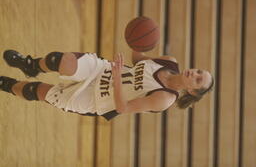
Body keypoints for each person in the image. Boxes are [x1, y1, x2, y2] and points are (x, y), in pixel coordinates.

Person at [0, 50, 214, 120]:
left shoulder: (164, 98)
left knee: (35, 91)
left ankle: (7, 84)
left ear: (192, 90)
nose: (194, 73)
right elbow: (139, 59)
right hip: (103, 71)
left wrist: (119, 77)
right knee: (61, 60)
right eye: (198, 71)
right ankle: (31, 65)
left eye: (197, 79)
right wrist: (138, 43)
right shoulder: (170, 61)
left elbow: (123, 108)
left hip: (97, 100)